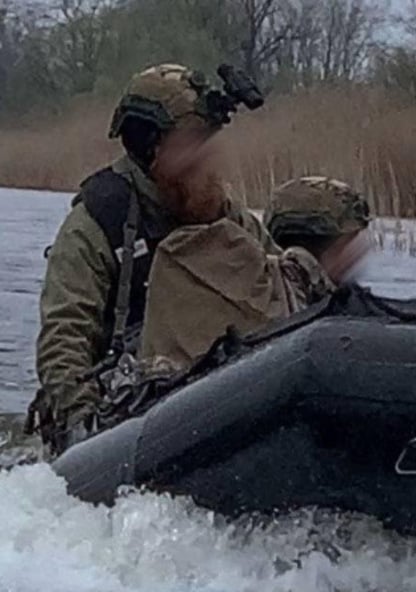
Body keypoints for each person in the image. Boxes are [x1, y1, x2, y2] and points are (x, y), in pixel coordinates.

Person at [32, 63, 275, 450]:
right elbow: (66, 334)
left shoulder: (226, 217)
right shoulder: (97, 224)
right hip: (126, 407)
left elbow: (281, 287)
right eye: (192, 144)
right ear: (150, 146)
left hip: (216, 395)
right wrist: (82, 421)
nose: (206, 160)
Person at [139, 175, 372, 369]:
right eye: (350, 243)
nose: (359, 254)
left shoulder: (315, 301)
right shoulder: (267, 301)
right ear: (332, 244)